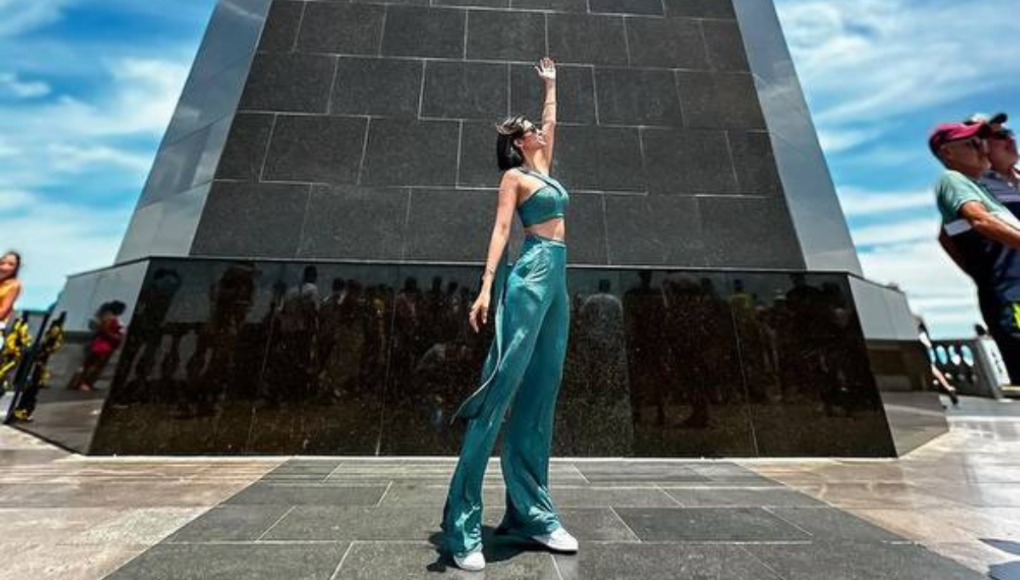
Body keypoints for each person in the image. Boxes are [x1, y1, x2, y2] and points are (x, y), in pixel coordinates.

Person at [441, 57, 577, 572]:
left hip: (558, 278)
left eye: (539, 129)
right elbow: (501, 232)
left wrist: (551, 85)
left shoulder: (545, 170)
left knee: (542, 392)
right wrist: (485, 287)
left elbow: (553, 122)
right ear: (520, 143)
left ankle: (532, 514)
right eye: (530, 132)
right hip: (531, 273)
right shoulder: (515, 178)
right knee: (501, 386)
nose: (540, 132)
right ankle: (462, 524)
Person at [932, 121, 1020, 383]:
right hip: (1012, 297)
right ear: (948, 153)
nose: (981, 149)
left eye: (982, 142)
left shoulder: (982, 186)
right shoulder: (953, 180)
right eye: (972, 143)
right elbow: (980, 221)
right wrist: (984, 276)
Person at [68, 301, 126, 391]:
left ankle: (78, 382)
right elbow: (104, 330)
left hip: (100, 342)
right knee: (95, 364)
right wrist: (116, 336)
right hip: (103, 344)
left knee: (88, 364)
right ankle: (84, 383)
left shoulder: (105, 316)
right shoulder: (110, 318)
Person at [0, 251, 23, 332]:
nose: (4, 267)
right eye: (2, 263)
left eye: (11, 264)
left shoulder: (14, 285)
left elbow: (3, 312)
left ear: (16, 268)